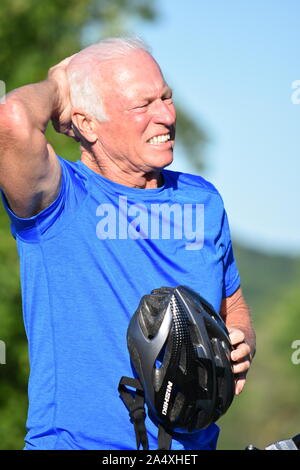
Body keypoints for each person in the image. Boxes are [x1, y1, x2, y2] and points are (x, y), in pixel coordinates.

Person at [0, 37, 256, 450]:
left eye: (166, 97)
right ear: (86, 124)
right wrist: (58, 85)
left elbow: (234, 306)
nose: (167, 115)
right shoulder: (60, 199)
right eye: (143, 105)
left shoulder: (203, 200)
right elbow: (10, 120)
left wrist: (242, 338)